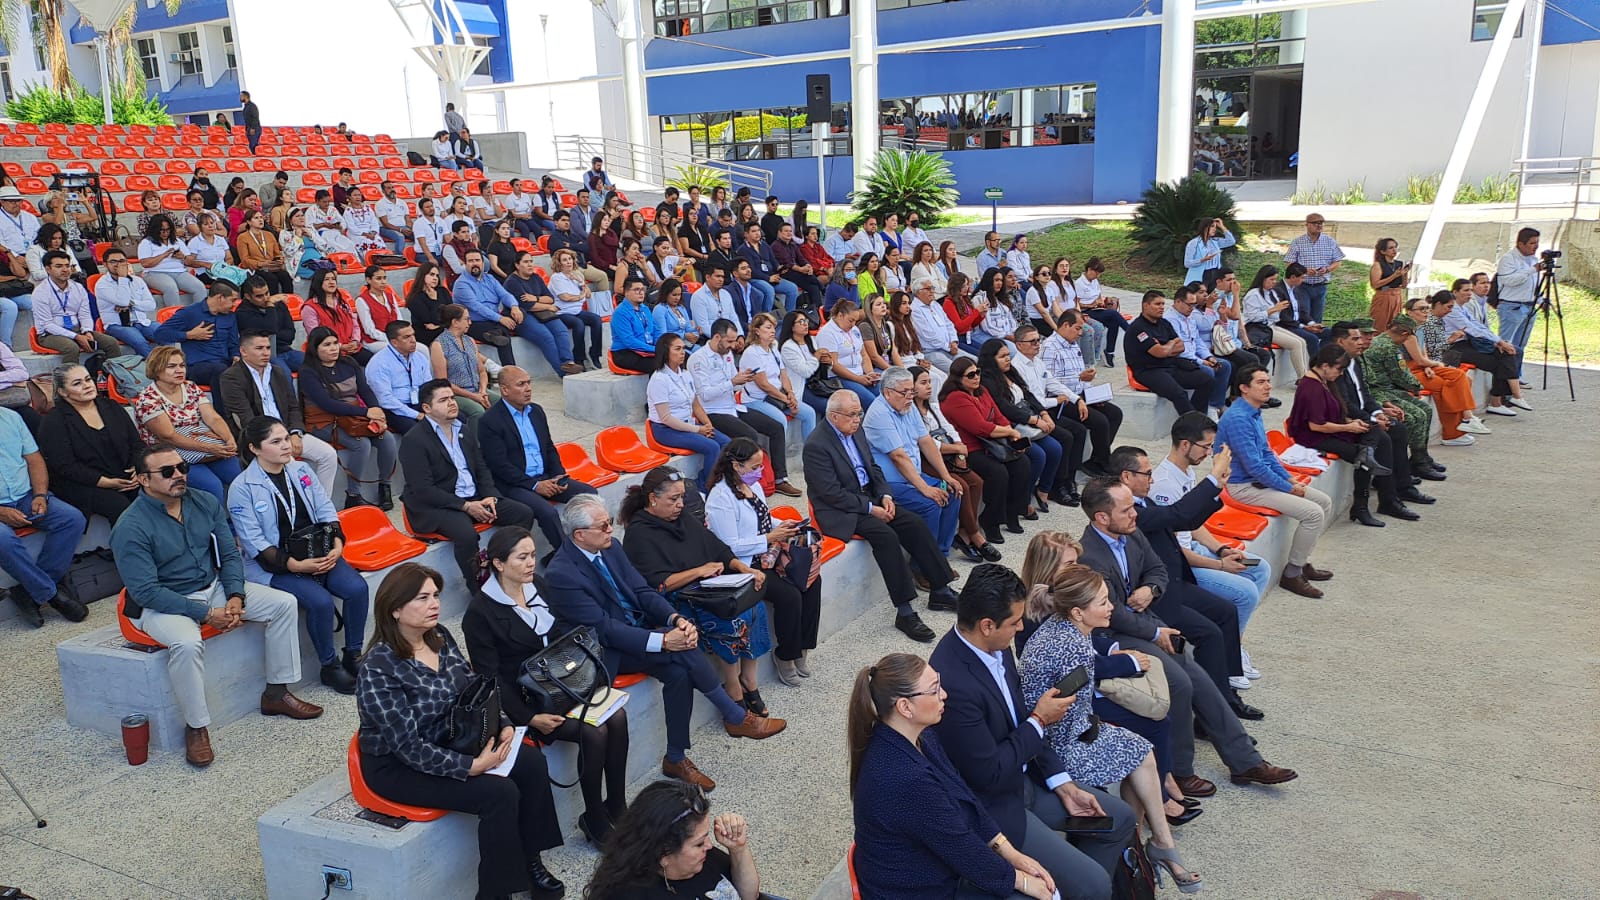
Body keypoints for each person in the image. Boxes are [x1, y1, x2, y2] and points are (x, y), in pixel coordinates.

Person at [546, 494, 783, 793]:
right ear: (580, 535)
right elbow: (605, 630)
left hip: (636, 630)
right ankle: (734, 716)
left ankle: (676, 757)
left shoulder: (610, 547)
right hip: (605, 651)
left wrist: (675, 620)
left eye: (610, 522)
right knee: (680, 652)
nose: (610, 529)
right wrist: (663, 641)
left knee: (679, 670)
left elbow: (642, 591)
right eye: (603, 525)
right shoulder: (561, 574)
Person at [355, 563, 565, 898]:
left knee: (531, 762)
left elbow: (475, 689)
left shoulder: (439, 637)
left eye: (436, 595)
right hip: (398, 765)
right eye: (422, 598)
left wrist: (504, 725)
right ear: (395, 608)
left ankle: (531, 861)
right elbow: (407, 746)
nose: (434, 604)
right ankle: (495, 893)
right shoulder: (378, 668)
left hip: (452, 738)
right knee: (499, 793)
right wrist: (471, 766)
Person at [929, 565, 1139, 900]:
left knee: (1118, 820)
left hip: (1032, 784)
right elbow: (989, 773)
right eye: (1015, 622)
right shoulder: (954, 682)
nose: (1021, 627)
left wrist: (1063, 784)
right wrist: (1040, 720)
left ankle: (1072, 882)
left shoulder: (995, 645)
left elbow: (1018, 717)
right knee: (1095, 885)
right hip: (1002, 811)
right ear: (987, 625)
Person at [112, 443, 319, 767]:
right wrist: (207, 614)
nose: (179, 475)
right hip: (163, 604)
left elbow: (230, 555)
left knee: (282, 604)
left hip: (213, 588)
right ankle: (196, 727)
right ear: (143, 479)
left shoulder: (204, 501)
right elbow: (147, 591)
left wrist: (235, 595)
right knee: (187, 643)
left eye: (182, 468)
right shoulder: (130, 527)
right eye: (167, 471)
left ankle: (277, 693)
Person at [1018, 565, 1205, 892]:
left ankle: (1148, 845)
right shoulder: (1070, 646)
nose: (1111, 607)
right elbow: (1058, 721)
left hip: (1072, 731)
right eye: (1103, 602)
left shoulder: (1066, 628)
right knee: (1140, 754)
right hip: (1058, 749)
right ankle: (1145, 848)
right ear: (1078, 612)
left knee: (1142, 752)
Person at [462, 527, 632, 845]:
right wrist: (530, 718)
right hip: (526, 702)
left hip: (563, 686)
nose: (531, 563)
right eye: (522, 557)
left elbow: (560, 641)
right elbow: (491, 679)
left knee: (617, 717)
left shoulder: (537, 587)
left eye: (532, 555)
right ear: (498, 563)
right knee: (594, 732)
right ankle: (594, 817)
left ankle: (617, 806)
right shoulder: (480, 613)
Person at [848, 651, 1059, 900]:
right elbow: (961, 847)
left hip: (936, 871)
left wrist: (1009, 852)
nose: (944, 694)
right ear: (905, 707)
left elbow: (963, 797)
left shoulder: (921, 736)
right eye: (934, 690)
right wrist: (1020, 879)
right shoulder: (905, 778)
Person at [1103, 444, 1257, 713]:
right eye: (1147, 474)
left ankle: (1229, 688)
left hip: (1173, 582)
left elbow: (1183, 522)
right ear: (1126, 476)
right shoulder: (1127, 512)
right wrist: (1212, 478)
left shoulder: (1143, 502)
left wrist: (1217, 487)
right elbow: (1177, 514)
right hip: (1157, 597)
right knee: (1209, 633)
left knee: (1226, 611)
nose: (1152, 480)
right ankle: (1214, 709)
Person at [622, 466, 782, 719]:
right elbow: (656, 585)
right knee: (728, 618)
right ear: (653, 498)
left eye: (682, 497)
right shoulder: (638, 534)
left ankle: (749, 679)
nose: (680, 504)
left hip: (705, 589)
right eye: (673, 499)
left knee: (754, 604)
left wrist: (742, 568)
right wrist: (699, 571)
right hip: (675, 601)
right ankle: (733, 688)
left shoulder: (682, 518)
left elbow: (715, 546)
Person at [229, 416, 369, 694]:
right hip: (276, 563)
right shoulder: (241, 488)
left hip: (319, 550)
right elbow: (254, 542)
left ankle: (353, 654)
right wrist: (295, 565)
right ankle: (329, 666)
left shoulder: (301, 469)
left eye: (286, 438)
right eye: (276, 441)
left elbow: (325, 508)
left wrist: (337, 544)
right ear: (255, 448)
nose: (286, 445)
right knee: (320, 602)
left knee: (357, 588)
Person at [804, 390, 957, 643]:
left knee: (914, 523)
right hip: (842, 509)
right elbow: (830, 493)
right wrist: (869, 508)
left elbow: (873, 469)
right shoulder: (816, 446)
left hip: (869, 496)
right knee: (886, 536)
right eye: (852, 415)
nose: (857, 419)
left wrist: (885, 495)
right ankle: (905, 611)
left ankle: (940, 588)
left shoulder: (856, 431)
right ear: (833, 416)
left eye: (859, 413)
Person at [1151, 413, 1272, 686]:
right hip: (1182, 563)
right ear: (1185, 444)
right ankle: (1230, 656)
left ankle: (1235, 644)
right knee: (1245, 592)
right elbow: (1172, 549)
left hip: (1195, 549)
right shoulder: (1164, 484)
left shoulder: (1187, 471)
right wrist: (1220, 566)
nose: (1208, 453)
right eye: (1205, 447)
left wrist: (1221, 549)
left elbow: (1191, 523)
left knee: (1260, 568)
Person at [703, 438, 821, 689]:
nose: (760, 471)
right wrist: (768, 538)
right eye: (755, 467)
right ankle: (785, 655)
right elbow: (729, 546)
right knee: (789, 595)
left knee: (812, 581)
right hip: (744, 564)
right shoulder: (720, 498)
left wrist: (783, 526)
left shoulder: (753, 486)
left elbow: (763, 519)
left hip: (768, 553)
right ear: (737, 466)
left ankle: (803, 646)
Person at [400, 379, 535, 584]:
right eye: (443, 400)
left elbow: (481, 468)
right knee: (466, 535)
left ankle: (505, 568)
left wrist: (490, 495)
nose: (452, 403)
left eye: (452, 398)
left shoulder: (463, 429)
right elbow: (423, 490)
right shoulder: (414, 440)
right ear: (427, 408)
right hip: (438, 505)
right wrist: (466, 506)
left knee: (522, 513)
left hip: (474, 497)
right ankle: (478, 587)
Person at [1215, 365, 1334, 598]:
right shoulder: (1238, 418)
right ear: (1244, 388)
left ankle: (1302, 561)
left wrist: (1289, 479)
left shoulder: (1253, 411)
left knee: (1324, 502)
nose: (1268, 386)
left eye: (1268, 381)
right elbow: (1254, 467)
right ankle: (1292, 573)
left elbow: (1267, 454)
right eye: (1260, 382)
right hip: (1242, 487)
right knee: (1313, 514)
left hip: (1259, 480)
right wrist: (1290, 488)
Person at [1288, 345, 1416, 527]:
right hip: (1314, 436)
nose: (1340, 373)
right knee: (1363, 456)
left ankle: (1384, 495)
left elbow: (1335, 413)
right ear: (1325, 366)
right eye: (1339, 369)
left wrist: (1353, 422)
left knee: (1376, 433)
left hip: (1332, 428)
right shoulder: (1311, 387)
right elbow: (1316, 425)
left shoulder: (1325, 381)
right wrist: (1348, 427)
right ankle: (1362, 506)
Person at [477, 365, 600, 552]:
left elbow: (548, 447)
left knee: (589, 495)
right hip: (515, 484)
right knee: (547, 512)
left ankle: (589, 545)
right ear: (504, 390)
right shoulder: (490, 421)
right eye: (521, 384)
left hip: (545, 477)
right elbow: (499, 466)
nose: (528, 389)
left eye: (529, 383)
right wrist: (535, 485)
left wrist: (559, 475)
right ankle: (566, 555)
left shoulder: (536, 411)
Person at [584, 780, 770, 899]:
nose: (709, 845)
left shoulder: (702, 860)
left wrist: (738, 849)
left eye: (706, 836)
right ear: (663, 854)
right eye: (699, 843)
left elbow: (750, 896)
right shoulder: (632, 894)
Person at [689, 318, 800, 497]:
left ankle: (780, 479)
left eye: (734, 341)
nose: (733, 346)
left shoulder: (726, 354)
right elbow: (704, 395)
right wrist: (733, 382)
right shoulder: (698, 359)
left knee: (776, 427)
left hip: (733, 407)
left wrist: (745, 378)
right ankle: (747, 481)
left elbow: (735, 382)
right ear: (717, 337)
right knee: (750, 435)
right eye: (729, 341)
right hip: (712, 412)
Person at [219, 331, 339, 494]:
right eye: (259, 348)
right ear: (243, 351)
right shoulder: (231, 377)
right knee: (293, 467)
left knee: (328, 455)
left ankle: (322, 505)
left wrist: (295, 433)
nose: (265, 353)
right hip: (260, 439)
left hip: (288, 432)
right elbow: (247, 420)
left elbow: (293, 407)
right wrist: (281, 440)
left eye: (268, 348)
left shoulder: (277, 372)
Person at [0, 402, 87, 627]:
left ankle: (28, 592)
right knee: (3, 539)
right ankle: (52, 595)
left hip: (25, 496)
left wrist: (40, 494)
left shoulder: (10, 417)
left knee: (71, 519)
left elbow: (34, 459)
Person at [864, 365, 963, 560]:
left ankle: (940, 557)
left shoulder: (907, 406)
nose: (910, 397)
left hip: (913, 476)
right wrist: (925, 488)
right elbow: (898, 457)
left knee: (952, 492)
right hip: (890, 484)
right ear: (888, 392)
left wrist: (946, 476)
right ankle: (922, 565)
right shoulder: (879, 414)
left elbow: (926, 441)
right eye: (905, 392)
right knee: (930, 503)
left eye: (912, 391)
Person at [937, 355, 1033, 545]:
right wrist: (1010, 431)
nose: (976, 377)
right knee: (997, 473)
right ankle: (990, 520)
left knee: (1022, 463)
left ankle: (1012, 511)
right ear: (958, 378)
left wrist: (1011, 435)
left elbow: (998, 416)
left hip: (992, 443)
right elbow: (980, 427)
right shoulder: (955, 398)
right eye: (970, 375)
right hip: (970, 448)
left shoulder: (981, 391)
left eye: (977, 372)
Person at [300, 326, 398, 510]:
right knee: (362, 444)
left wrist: (376, 411)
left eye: (335, 343)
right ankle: (353, 495)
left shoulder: (348, 363)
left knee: (387, 439)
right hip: (324, 421)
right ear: (315, 348)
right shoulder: (308, 372)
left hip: (353, 418)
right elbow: (327, 404)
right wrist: (366, 413)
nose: (333, 348)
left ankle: (384, 486)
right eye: (326, 345)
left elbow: (365, 390)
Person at [131, 346, 241, 504]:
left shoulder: (190, 387)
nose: (179, 370)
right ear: (156, 369)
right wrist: (209, 448)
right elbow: (169, 436)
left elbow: (213, 418)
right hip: (171, 454)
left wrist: (229, 439)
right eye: (171, 366)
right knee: (212, 486)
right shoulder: (147, 399)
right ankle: (216, 520)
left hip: (205, 445)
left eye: (182, 365)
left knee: (241, 476)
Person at [39, 364, 145, 523]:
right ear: (62, 392)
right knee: (119, 506)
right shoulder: (54, 421)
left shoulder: (112, 406)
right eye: (77, 383)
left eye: (88, 379)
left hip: (122, 475)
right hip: (82, 482)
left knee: (155, 494)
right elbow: (64, 466)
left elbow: (136, 444)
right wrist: (105, 482)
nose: (87, 385)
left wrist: (137, 469)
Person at [977, 339, 1065, 515]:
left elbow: (1028, 395)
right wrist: (1034, 420)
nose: (1007, 359)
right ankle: (1020, 500)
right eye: (1002, 356)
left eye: (1008, 355)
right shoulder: (987, 380)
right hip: (1011, 425)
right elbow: (1004, 408)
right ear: (990, 359)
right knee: (1038, 456)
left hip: (1028, 420)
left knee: (1055, 448)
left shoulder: (1010, 372)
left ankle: (1043, 490)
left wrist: (1044, 413)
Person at [1399, 300, 1486, 445]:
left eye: (1427, 308)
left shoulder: (1421, 328)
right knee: (1443, 386)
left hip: (1423, 365)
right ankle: (1453, 433)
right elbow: (1419, 359)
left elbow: (1423, 354)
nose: (1426, 312)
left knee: (1462, 377)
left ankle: (1466, 419)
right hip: (1406, 370)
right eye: (1421, 309)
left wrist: (1428, 366)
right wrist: (1434, 363)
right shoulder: (1406, 331)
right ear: (1409, 312)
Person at [1440, 283, 1529, 415]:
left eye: (1471, 290)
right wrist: (1498, 341)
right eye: (1466, 290)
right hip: (1453, 348)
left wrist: (1497, 341)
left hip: (1466, 343)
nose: (1469, 293)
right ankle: (1505, 399)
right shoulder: (1452, 311)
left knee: (1508, 353)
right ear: (1455, 292)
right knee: (1501, 361)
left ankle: (1503, 399)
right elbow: (1471, 329)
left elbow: (1478, 325)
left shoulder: (1462, 308)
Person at [1124, 290, 1214, 416]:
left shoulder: (1164, 323)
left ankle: (1199, 415)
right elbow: (1160, 353)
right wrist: (1171, 344)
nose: (1161, 307)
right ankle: (1193, 423)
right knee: (1179, 394)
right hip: (1149, 370)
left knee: (1206, 380)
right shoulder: (1138, 328)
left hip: (1169, 366)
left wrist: (1166, 346)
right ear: (1145, 305)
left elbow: (1181, 346)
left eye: (1163, 304)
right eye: (1157, 304)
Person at [151, 281, 241, 396]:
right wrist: (189, 335)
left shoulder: (230, 316)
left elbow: (233, 343)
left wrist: (236, 356)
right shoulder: (190, 313)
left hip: (224, 363)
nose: (234, 304)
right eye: (232, 300)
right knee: (221, 372)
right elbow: (160, 334)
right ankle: (222, 408)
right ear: (220, 298)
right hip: (198, 366)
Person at [30, 250, 120, 363]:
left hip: (77, 330)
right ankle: (69, 374)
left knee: (111, 343)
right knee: (71, 348)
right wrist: (76, 337)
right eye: (59, 266)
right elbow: (47, 325)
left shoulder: (78, 288)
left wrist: (87, 331)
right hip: (50, 334)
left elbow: (85, 315)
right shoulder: (40, 292)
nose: (65, 270)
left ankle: (115, 372)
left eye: (67, 266)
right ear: (48, 269)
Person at [740, 311, 815, 439]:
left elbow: (783, 374)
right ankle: (779, 451)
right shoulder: (751, 353)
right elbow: (764, 385)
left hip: (777, 396)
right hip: (758, 399)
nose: (773, 331)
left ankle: (810, 450)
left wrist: (790, 393)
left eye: (774, 328)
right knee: (780, 420)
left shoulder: (773, 347)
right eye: (768, 328)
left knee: (809, 413)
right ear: (757, 331)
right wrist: (786, 400)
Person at [1162, 284, 1232, 415]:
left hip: (1194, 357)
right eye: (1189, 305)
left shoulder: (1189, 317)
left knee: (1224, 365)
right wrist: (1201, 361)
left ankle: (1214, 406)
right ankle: (1197, 412)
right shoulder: (1170, 319)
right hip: (1180, 359)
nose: (1192, 308)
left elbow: (1197, 340)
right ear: (1178, 302)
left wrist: (1208, 357)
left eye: (1194, 305)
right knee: (1207, 372)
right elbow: (1180, 349)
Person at [364, 321, 434, 436]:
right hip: (394, 409)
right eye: (407, 337)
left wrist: (433, 408)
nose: (413, 340)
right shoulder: (379, 363)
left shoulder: (419, 357)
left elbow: (429, 387)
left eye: (413, 335)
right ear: (394, 342)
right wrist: (417, 415)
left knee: (454, 417)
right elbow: (385, 400)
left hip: (420, 403)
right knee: (419, 432)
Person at [429, 304, 497, 421]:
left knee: (504, 402)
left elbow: (482, 371)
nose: (470, 323)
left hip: (478, 389)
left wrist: (482, 391)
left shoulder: (470, 341)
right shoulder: (439, 345)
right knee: (477, 411)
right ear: (455, 322)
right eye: (466, 319)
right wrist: (474, 396)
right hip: (455, 394)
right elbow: (443, 382)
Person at [1493, 226, 1542, 378]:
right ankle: (1501, 377)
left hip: (1529, 306)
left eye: (1537, 243)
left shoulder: (1533, 259)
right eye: (1532, 243)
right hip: (1511, 306)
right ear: (1521, 244)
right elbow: (1509, 281)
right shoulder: (1509, 259)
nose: (1536, 247)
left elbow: (1534, 283)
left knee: (1521, 344)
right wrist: (1532, 270)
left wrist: (1540, 299)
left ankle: (1516, 376)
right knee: (1506, 344)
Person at [547, 247, 607, 369]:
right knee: (578, 324)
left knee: (596, 319)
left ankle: (595, 354)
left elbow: (588, 294)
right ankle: (579, 358)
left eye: (570, 259)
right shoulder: (556, 277)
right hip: (562, 312)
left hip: (577, 311)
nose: (568, 262)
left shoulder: (576, 275)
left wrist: (580, 281)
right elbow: (565, 297)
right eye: (565, 260)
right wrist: (580, 296)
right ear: (559, 263)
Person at [816, 299, 880, 408]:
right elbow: (834, 365)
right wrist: (858, 379)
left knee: (885, 393)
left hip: (860, 374)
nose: (853, 324)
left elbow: (864, 355)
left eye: (855, 321)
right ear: (840, 315)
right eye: (851, 320)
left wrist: (870, 373)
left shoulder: (854, 329)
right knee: (871, 401)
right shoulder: (827, 333)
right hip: (840, 378)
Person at [1283, 213, 1343, 324]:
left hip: (1321, 285)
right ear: (1307, 225)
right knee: (1304, 315)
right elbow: (1289, 263)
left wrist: (1327, 269)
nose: (1319, 225)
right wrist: (1304, 271)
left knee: (1317, 318)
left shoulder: (1329, 241)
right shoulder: (1298, 242)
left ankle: (1316, 333)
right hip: (1302, 286)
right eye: (1315, 223)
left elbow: (1338, 261)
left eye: (1321, 223)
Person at [612, 276, 663, 373]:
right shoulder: (620, 312)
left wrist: (660, 346)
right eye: (636, 290)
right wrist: (654, 349)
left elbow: (655, 330)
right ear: (626, 292)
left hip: (646, 348)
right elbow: (629, 341)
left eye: (642, 289)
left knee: (677, 357)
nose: (641, 293)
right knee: (658, 364)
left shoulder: (645, 308)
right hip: (625, 352)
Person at [355, 266, 403, 353]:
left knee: (422, 349)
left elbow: (399, 320)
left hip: (395, 337)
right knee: (396, 349)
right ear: (368, 280)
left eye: (384, 278)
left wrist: (401, 335)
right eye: (378, 278)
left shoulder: (390, 296)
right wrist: (390, 338)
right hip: (374, 341)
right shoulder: (361, 300)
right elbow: (369, 330)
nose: (383, 282)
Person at [1368, 237, 1411, 327]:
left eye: (1395, 247)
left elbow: (1403, 285)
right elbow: (1375, 284)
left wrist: (1405, 273)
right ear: (1383, 251)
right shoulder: (1378, 264)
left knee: (1395, 325)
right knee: (1380, 324)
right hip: (1384, 295)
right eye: (1391, 248)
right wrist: (1393, 276)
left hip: (1397, 295)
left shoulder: (1399, 263)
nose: (1394, 250)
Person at [405, 262, 450, 346]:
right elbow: (431, 320)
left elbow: (452, 314)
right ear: (422, 276)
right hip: (425, 333)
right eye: (431, 274)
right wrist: (433, 300)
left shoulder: (442, 291)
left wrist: (439, 326)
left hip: (442, 328)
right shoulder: (415, 298)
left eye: (437, 275)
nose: (435, 278)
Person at [1182, 216, 1235, 284]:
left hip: (1215, 273)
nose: (1214, 229)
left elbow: (1231, 241)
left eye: (1215, 227)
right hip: (1201, 274)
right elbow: (1187, 263)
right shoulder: (1193, 243)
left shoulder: (1215, 241)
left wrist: (1222, 227)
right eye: (1212, 226)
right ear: (1205, 227)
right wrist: (1202, 260)